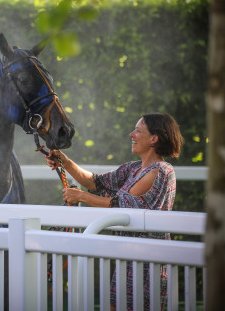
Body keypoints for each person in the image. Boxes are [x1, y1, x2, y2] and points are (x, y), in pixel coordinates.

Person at [44, 112, 184, 311]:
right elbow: (94, 182)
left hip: (147, 262)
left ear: (154, 138)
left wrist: (80, 197)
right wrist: (64, 160)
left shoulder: (161, 171)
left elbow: (121, 205)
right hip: (126, 256)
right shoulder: (133, 169)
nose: (131, 134)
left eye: (138, 130)